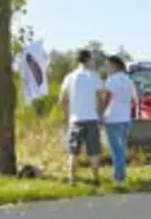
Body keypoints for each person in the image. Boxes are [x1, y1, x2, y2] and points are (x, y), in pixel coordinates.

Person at [59, 49, 105, 186]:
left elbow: (62, 99)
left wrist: (67, 116)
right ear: (88, 59)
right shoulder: (94, 77)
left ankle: (72, 179)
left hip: (75, 119)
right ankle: (96, 178)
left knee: (73, 150)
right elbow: (101, 97)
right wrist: (100, 114)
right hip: (91, 117)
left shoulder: (70, 77)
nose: (93, 61)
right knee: (94, 150)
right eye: (92, 58)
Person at [102, 55, 138, 185]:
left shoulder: (110, 80)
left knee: (116, 150)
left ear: (114, 66)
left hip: (112, 118)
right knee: (121, 149)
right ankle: (120, 174)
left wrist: (101, 113)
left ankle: (119, 177)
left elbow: (107, 98)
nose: (106, 68)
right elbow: (134, 101)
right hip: (125, 119)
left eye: (108, 65)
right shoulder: (129, 81)